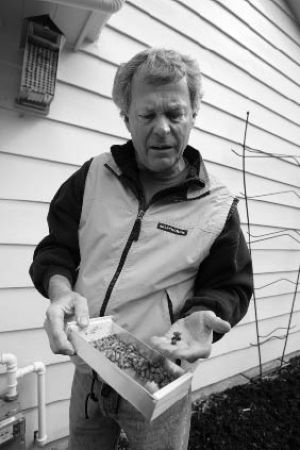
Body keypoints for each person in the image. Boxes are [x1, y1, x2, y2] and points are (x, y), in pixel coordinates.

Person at [29, 47, 253, 450]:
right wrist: (60, 291)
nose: (163, 129)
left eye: (175, 113)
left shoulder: (219, 206)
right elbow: (56, 248)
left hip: (158, 377)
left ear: (193, 113)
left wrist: (207, 312)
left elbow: (229, 285)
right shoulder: (93, 175)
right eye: (148, 115)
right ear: (126, 117)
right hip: (89, 369)